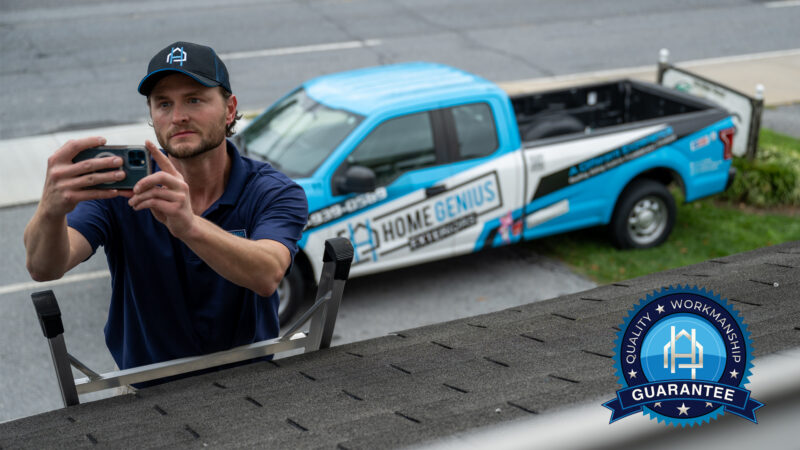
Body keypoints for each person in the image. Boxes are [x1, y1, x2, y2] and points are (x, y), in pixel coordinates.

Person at [23, 41, 308, 377]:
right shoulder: (121, 188)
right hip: (146, 388)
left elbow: (268, 273)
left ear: (230, 109)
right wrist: (51, 210)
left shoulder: (273, 191)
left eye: (194, 99)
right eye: (163, 103)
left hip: (250, 380)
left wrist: (189, 226)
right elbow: (44, 267)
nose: (178, 116)